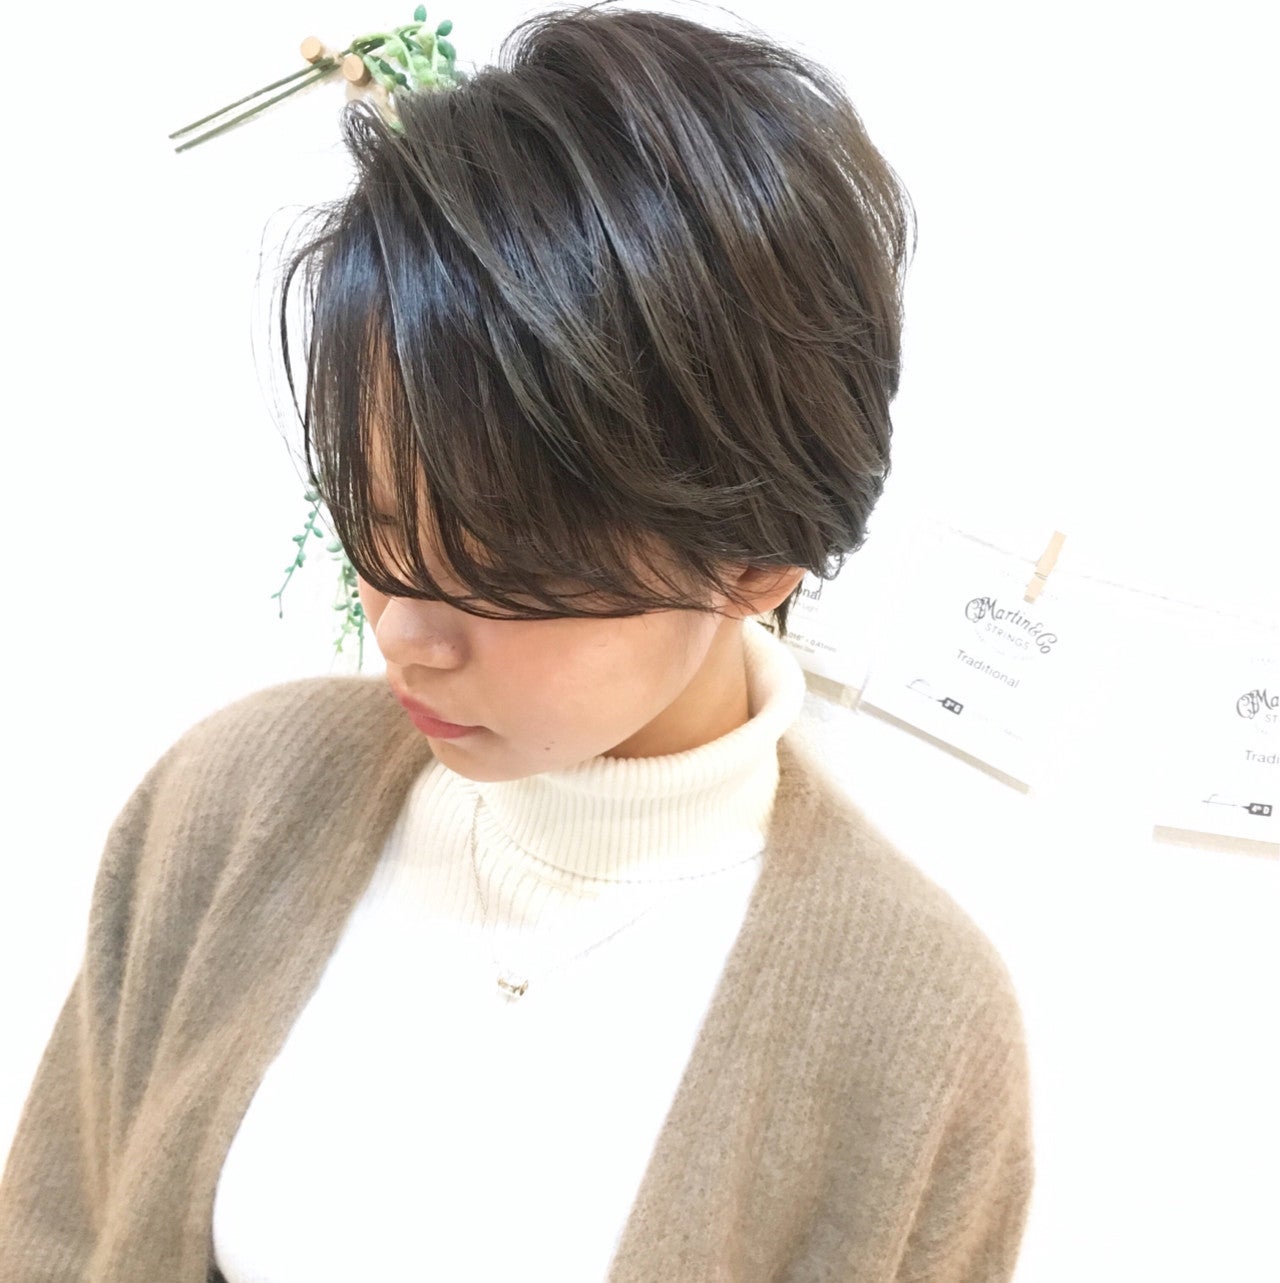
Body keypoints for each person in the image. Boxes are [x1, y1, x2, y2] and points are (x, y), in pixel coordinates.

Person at [0, 3, 1034, 1280]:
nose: (404, 632)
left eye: (504, 573)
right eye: (377, 528)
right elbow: (55, 1226)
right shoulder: (232, 803)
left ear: (757, 559)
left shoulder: (914, 1024)